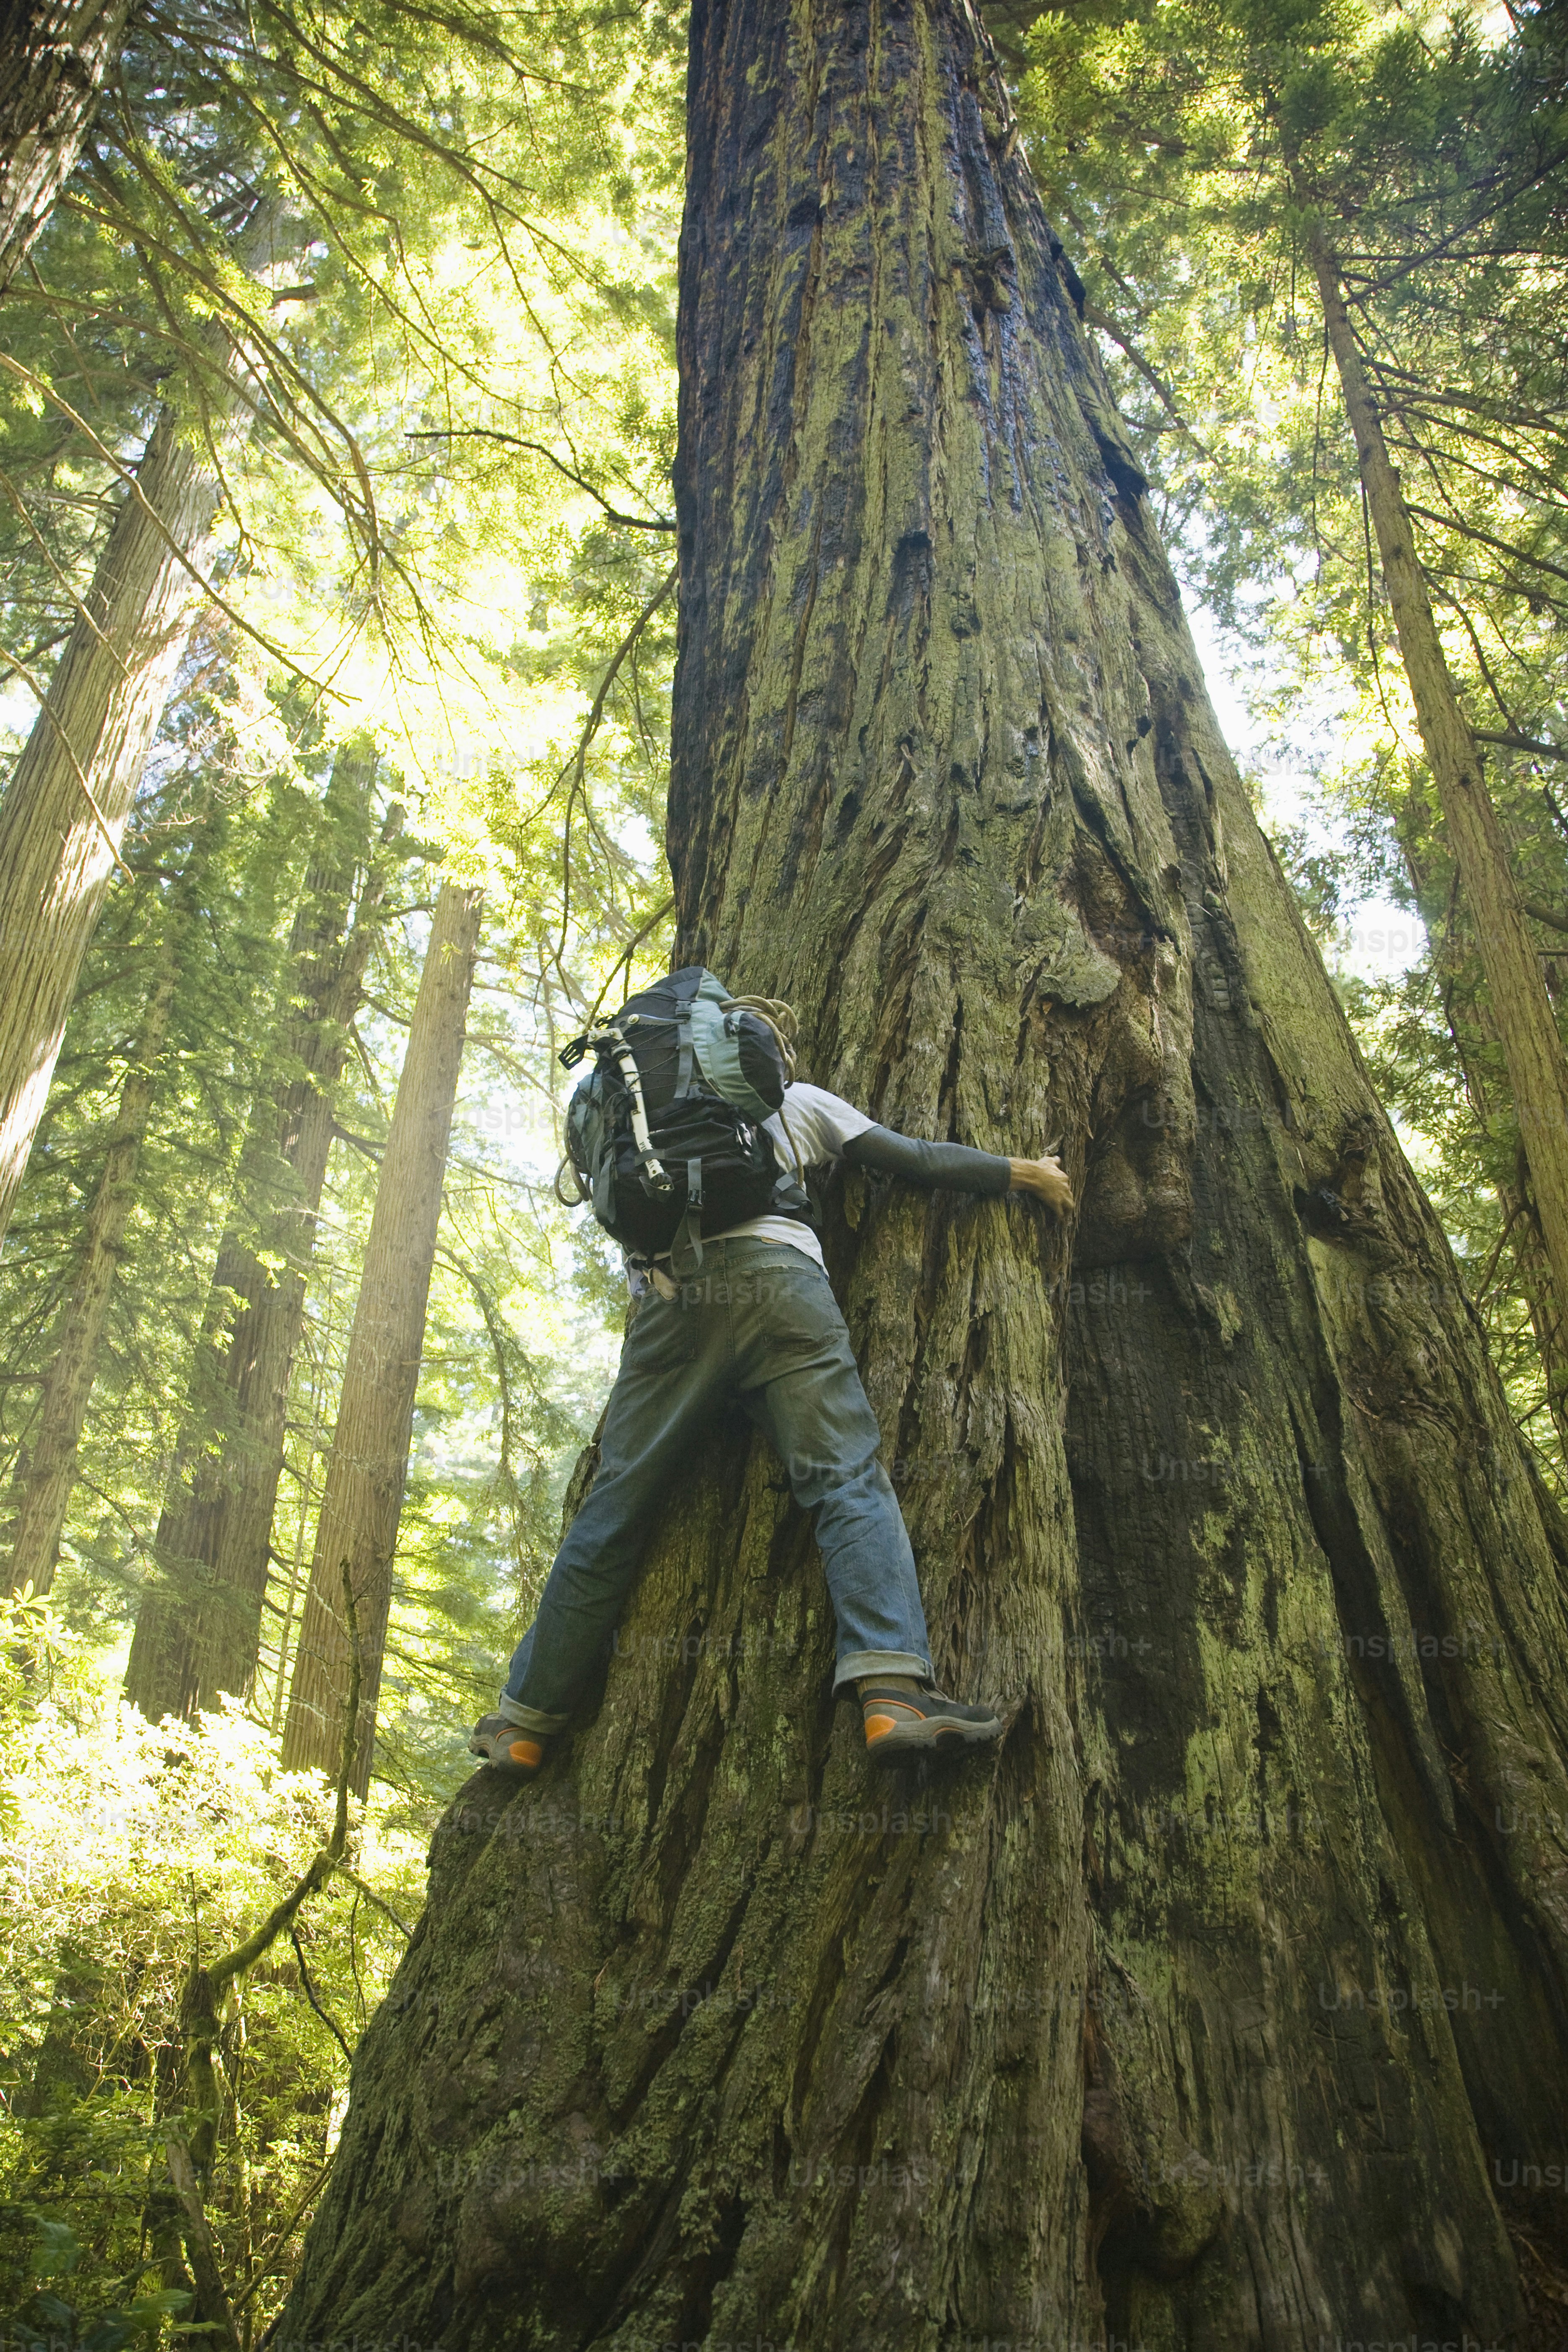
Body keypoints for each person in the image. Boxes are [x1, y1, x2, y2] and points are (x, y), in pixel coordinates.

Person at [468, 993, 1072, 1778]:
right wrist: (1024, 1171)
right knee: (845, 1479)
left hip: (670, 1307)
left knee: (613, 1508)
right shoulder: (788, 1105)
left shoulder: (626, 1120)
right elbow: (914, 1159)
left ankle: (523, 1721)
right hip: (780, 1283)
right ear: (739, 1045)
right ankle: (891, 1691)